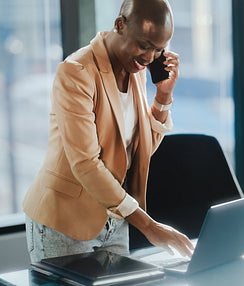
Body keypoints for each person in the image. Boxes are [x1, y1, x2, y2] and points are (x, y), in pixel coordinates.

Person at [22, 0, 194, 262]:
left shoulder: (134, 69)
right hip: (65, 222)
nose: (149, 58)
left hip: (114, 220)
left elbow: (141, 150)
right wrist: (149, 227)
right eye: (144, 45)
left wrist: (163, 96)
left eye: (158, 50)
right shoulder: (77, 72)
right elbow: (86, 164)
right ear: (119, 25)